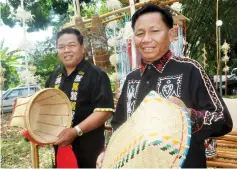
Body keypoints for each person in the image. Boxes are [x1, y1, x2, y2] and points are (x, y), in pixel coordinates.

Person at [97, 4, 233, 168]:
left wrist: (188, 115)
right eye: (140, 33)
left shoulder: (191, 69)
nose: (146, 39)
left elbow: (223, 119)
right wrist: (108, 152)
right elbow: (119, 125)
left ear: (170, 34)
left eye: (155, 31)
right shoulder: (131, 78)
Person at [45, 27, 114, 168]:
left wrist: (75, 131)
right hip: (59, 151)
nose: (66, 50)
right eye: (61, 47)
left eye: (72, 45)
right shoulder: (53, 77)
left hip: (90, 152)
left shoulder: (97, 75)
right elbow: (45, 108)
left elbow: (105, 111)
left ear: (82, 47)